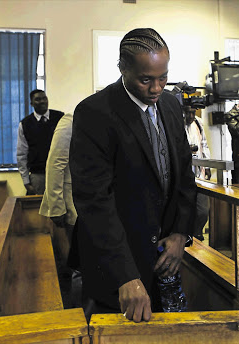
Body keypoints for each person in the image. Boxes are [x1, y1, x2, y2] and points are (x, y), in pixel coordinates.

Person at [69, 28, 196, 323]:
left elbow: (184, 176)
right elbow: (94, 200)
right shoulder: (95, 112)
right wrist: (125, 275)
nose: (156, 88)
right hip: (115, 260)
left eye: (163, 77)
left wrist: (181, 233)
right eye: (145, 79)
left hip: (164, 257)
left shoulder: (171, 104)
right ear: (122, 69)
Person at [39, 112, 80, 307]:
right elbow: (55, 164)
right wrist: (56, 207)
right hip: (73, 207)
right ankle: (78, 312)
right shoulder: (71, 121)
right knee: (78, 266)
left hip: (94, 205)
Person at [17, 89, 64, 195]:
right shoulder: (25, 124)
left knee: (62, 208)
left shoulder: (60, 118)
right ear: (31, 103)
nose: (42, 101)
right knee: (39, 208)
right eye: (38, 99)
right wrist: (26, 181)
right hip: (38, 175)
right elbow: (21, 154)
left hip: (60, 173)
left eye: (44, 98)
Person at [184, 105, 211, 241]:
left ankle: (197, 234)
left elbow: (204, 145)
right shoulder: (176, 123)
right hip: (182, 177)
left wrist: (207, 166)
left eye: (193, 113)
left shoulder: (198, 123)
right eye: (187, 113)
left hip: (199, 174)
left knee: (202, 211)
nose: (190, 116)